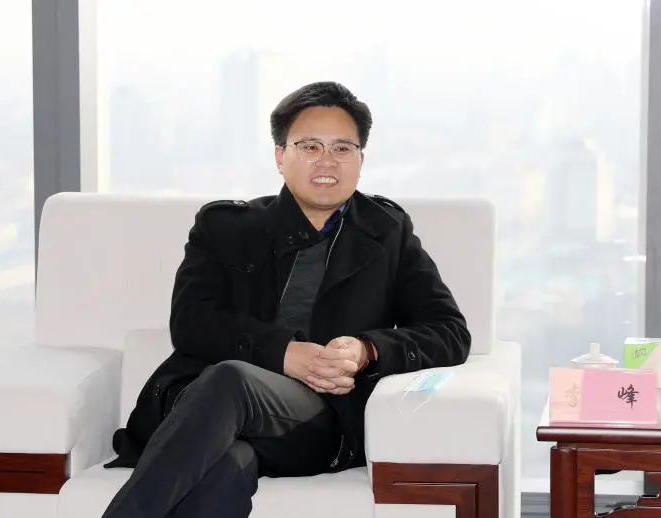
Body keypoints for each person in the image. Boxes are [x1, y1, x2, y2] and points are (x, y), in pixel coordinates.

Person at [101, 81, 471, 518]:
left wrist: (367, 349)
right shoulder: (226, 227)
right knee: (228, 459)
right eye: (310, 146)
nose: (327, 161)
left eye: (342, 148)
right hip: (207, 407)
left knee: (231, 381)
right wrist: (282, 353)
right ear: (280, 156)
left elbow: (449, 332)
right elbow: (191, 322)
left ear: (360, 159)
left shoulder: (387, 233)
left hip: (317, 420)